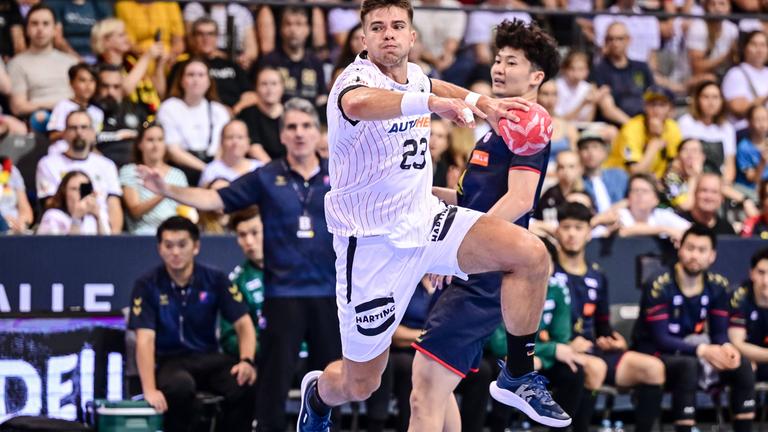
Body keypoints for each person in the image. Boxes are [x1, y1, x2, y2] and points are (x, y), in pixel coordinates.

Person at [138, 98, 342, 432]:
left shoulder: (340, 174)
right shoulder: (266, 176)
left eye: (306, 126)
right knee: (273, 387)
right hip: (283, 295)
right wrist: (167, 190)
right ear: (282, 136)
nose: (300, 133)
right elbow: (215, 199)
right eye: (291, 127)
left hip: (329, 295)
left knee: (332, 384)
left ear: (318, 132)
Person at [408, 17, 565, 431]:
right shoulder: (495, 128)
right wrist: (417, 195)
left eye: (512, 62)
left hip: (482, 273)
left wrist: (455, 250)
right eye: (497, 60)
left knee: (423, 393)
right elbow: (468, 201)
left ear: (536, 76)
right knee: (436, 394)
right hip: (476, 263)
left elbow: (519, 199)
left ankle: (518, 376)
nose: (499, 68)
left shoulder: (530, 122)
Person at [128, 216, 256, 432]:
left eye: (182, 245)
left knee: (243, 383)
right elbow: (145, 340)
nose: (175, 252)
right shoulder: (147, 285)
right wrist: (149, 389)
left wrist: (246, 361)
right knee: (180, 387)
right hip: (171, 362)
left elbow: (244, 324)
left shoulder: (215, 279)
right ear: (159, 248)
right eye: (168, 245)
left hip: (208, 358)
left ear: (196, 246)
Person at [553, 202, 665, 432]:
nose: (572, 234)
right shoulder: (549, 272)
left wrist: (614, 339)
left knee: (653, 368)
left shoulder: (598, 276)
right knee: (594, 369)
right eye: (566, 227)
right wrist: (565, 344)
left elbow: (602, 324)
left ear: (588, 233)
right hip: (561, 350)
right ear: (557, 232)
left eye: (578, 227)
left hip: (592, 349)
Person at [633, 225, 756, 432]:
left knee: (741, 364)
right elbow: (661, 338)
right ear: (680, 249)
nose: (694, 255)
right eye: (690, 248)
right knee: (688, 365)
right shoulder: (658, 284)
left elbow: (718, 333)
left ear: (712, 256)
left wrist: (726, 348)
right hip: (654, 353)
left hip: (694, 350)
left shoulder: (717, 285)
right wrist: (704, 351)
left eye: (702, 250)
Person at [36, 109, 123, 233]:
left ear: (93, 133)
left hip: (100, 227)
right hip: (63, 228)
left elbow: (114, 205)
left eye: (84, 127)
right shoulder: (48, 164)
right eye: (73, 128)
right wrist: (77, 213)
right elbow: (50, 203)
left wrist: (114, 240)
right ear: (64, 133)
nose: (79, 132)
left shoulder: (107, 165)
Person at [7, 3, 78, 131]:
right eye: (34, 24)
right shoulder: (17, 64)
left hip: (75, 118)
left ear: (55, 29)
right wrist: (57, 104)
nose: (40, 29)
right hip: (39, 120)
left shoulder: (71, 62)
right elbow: (18, 107)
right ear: (26, 29)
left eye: (46, 24)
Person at [156, 58, 230, 178]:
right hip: (181, 168)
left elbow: (221, 147)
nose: (196, 80)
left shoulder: (219, 110)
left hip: (214, 165)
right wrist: (207, 170)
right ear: (181, 80)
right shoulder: (169, 107)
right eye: (191, 75)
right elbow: (173, 151)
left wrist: (214, 170)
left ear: (209, 81)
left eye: (201, 75)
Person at [167, 17, 254, 113]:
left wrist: (234, 110)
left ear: (217, 37)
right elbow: (171, 96)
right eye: (200, 34)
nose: (206, 38)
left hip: (233, 117)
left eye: (210, 34)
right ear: (192, 37)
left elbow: (251, 95)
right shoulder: (183, 66)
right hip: (194, 115)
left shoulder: (232, 65)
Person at [120, 123, 189, 235]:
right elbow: (135, 211)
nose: (156, 145)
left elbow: (186, 210)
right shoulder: (130, 171)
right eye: (150, 140)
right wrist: (164, 192)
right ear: (140, 144)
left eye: (160, 140)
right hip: (143, 234)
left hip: (176, 233)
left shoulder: (178, 175)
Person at [91, 17, 168, 115]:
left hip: (153, 117)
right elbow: (124, 90)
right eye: (121, 35)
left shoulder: (132, 62)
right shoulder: (100, 68)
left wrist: (159, 66)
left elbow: (160, 92)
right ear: (106, 41)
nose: (127, 38)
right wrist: (146, 57)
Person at [254, 7, 327, 108]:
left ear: (308, 29)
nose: (293, 30)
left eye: (299, 24)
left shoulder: (315, 62)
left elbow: (322, 96)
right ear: (281, 29)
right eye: (288, 24)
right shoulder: (269, 61)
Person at [607, 85, 682, 178]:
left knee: (678, 185)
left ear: (671, 109)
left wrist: (668, 186)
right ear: (645, 107)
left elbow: (674, 165)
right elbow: (635, 171)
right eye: (652, 104)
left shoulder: (672, 127)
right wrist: (654, 144)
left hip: (654, 181)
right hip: (619, 179)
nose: (656, 110)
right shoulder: (632, 128)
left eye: (662, 105)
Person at [220, 207, 265, 359]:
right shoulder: (236, 282)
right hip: (263, 360)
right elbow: (229, 338)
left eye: (254, 233)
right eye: (242, 235)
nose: (249, 242)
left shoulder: (298, 272)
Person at [590, 22, 653, 122]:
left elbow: (652, 95)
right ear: (605, 42)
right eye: (611, 39)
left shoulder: (641, 67)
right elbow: (607, 107)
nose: (615, 43)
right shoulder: (599, 70)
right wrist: (632, 127)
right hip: (616, 124)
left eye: (620, 39)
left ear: (628, 40)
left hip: (644, 120)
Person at [677, 81, 737, 181]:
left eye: (715, 97)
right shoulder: (685, 123)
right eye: (706, 97)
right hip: (689, 179)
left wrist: (723, 184)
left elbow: (730, 164)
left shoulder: (727, 128)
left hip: (719, 183)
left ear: (722, 101)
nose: (711, 102)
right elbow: (679, 158)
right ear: (697, 100)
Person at [94, 63, 148, 167]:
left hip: (136, 170)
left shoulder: (136, 109)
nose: (110, 92)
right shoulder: (88, 112)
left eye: (116, 86)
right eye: (105, 86)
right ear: (96, 86)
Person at [729, 247, 768, 382]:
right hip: (744, 359)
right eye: (761, 273)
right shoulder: (739, 298)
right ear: (751, 274)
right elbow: (737, 343)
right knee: (745, 366)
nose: (766, 281)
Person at [182, 2, 257, 70]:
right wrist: (229, 59)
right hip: (207, 58)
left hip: (238, 58)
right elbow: (193, 44)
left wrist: (244, 59)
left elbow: (252, 50)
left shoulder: (241, 11)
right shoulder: (194, 8)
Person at [47, 63, 104, 153]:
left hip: (87, 155)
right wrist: (74, 132)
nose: (88, 85)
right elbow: (53, 136)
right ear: (71, 83)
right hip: (62, 152)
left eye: (92, 80)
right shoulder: (63, 106)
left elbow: (94, 140)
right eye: (82, 80)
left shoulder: (98, 112)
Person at [618, 173, 691, 240]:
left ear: (656, 199)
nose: (639, 195)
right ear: (628, 196)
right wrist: (664, 230)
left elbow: (691, 231)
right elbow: (623, 231)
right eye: (635, 190)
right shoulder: (621, 214)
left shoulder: (662, 215)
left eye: (644, 191)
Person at [36, 169, 109, 234]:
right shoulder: (53, 216)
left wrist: (98, 218)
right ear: (64, 191)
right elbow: (65, 247)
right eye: (74, 189)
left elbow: (107, 246)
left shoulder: (93, 218)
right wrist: (76, 218)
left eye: (84, 189)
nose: (79, 193)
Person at [722, 30, 768, 129]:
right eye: (754, 44)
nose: (759, 50)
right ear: (745, 48)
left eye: (763, 45)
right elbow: (738, 109)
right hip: (746, 132)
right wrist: (765, 98)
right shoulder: (736, 74)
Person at [237, 66, 284, 161]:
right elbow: (254, 149)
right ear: (256, 88)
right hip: (260, 168)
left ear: (282, 87)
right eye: (264, 84)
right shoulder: (247, 114)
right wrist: (276, 171)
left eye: (274, 84)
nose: (269, 89)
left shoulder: (291, 114)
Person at [199, 120, 262, 187]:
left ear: (248, 142)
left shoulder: (259, 168)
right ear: (221, 142)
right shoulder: (211, 171)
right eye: (230, 137)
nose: (235, 142)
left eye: (240, 137)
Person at [578, 130, 628, 214]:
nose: (590, 153)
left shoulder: (619, 176)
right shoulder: (577, 181)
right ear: (579, 154)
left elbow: (633, 198)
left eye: (595, 147)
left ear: (605, 152)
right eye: (585, 148)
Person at [114, 0, 184, 58]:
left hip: (168, 55)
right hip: (139, 56)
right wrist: (148, 54)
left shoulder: (170, 4)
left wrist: (170, 56)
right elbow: (128, 43)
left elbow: (178, 41)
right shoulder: (123, 6)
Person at [536, 150, 583, 221]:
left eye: (571, 166)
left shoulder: (585, 194)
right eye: (561, 167)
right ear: (556, 170)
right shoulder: (549, 195)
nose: (566, 171)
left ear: (580, 169)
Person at [663, 138, 707, 211]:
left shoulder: (706, 175)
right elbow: (685, 206)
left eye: (694, 150)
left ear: (703, 157)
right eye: (685, 150)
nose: (690, 155)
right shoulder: (672, 177)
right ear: (678, 156)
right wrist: (693, 177)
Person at [736, 104, 768, 194]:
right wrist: (762, 163)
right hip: (750, 191)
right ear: (749, 122)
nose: (762, 123)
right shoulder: (744, 147)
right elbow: (753, 179)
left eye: (765, 119)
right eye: (758, 119)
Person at [0, 156, 33, 234]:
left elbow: (26, 211)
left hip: (16, 232)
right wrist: (4, 222)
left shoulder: (12, 170)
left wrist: (21, 222)